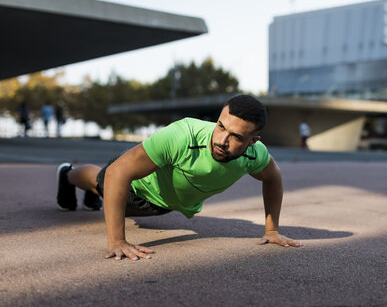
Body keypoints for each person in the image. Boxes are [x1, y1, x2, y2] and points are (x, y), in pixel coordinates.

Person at [55, 95, 301, 261]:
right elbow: (117, 173)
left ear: (252, 141)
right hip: (136, 186)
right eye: (221, 126)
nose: (221, 140)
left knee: (102, 188)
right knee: (101, 182)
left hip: (162, 205)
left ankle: (90, 191)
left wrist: (272, 230)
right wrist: (117, 241)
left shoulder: (254, 155)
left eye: (236, 137)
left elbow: (273, 177)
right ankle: (67, 173)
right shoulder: (182, 135)